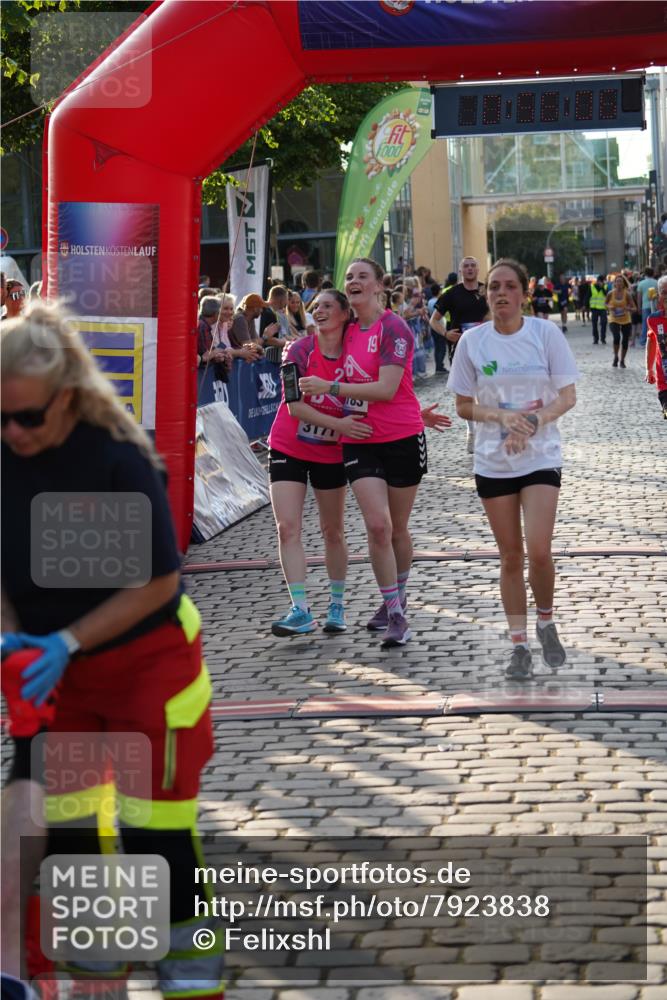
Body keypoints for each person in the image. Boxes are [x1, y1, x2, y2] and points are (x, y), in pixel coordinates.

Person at [1, 302, 223, 998]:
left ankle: (191, 977)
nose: (13, 433)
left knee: (153, 837)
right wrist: (11, 635)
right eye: (0, 418)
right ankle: (99, 981)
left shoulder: (112, 459)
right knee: (72, 844)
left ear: (64, 398)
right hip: (62, 682)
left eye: (28, 418)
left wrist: (65, 640)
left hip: (145, 675)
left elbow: (156, 581)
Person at [299, 258, 451, 648]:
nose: (353, 281)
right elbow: (312, 341)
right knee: (378, 526)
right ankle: (396, 615)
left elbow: (386, 389)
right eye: (348, 277)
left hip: (401, 437)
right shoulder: (346, 329)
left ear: (379, 286)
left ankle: (394, 599)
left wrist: (331, 389)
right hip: (359, 440)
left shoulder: (394, 328)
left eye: (362, 276)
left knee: (397, 529)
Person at [447, 258, 579, 681]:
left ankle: (546, 620)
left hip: (540, 456)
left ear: (524, 292)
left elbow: (567, 396)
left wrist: (535, 421)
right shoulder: (473, 343)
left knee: (539, 550)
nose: (500, 294)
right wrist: (501, 418)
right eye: (493, 288)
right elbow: (463, 405)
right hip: (493, 460)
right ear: (486, 295)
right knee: (510, 556)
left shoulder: (545, 334)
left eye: (509, 287)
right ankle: (519, 644)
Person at [267, 290, 374, 637]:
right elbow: (294, 406)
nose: (320, 311)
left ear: (345, 314)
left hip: (330, 452)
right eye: (316, 307)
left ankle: (337, 603)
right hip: (289, 443)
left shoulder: (357, 352)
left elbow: (374, 396)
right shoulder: (298, 350)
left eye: (328, 306)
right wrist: (341, 425)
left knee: (333, 531)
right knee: (287, 527)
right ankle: (299, 609)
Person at [430, 258, 488, 449]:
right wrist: (446, 333)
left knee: (485, 388)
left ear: (478, 269)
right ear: (461, 271)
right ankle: (471, 431)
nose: (470, 269)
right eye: (466, 266)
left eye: (473, 266)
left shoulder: (486, 290)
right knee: (466, 391)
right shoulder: (451, 294)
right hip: (460, 347)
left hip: (486, 347)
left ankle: (485, 430)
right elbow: (434, 320)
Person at [645, 274, 667, 419]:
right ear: (659, 295)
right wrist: (649, 369)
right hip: (664, 381)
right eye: (664, 292)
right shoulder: (653, 320)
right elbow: (652, 343)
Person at [605, 273, 636, 368]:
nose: (619, 283)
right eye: (617, 281)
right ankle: (615, 357)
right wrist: (610, 307)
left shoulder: (627, 294)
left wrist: (628, 309)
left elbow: (635, 308)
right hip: (613, 319)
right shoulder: (610, 293)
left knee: (625, 340)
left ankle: (622, 360)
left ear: (623, 284)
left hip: (626, 319)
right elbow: (605, 304)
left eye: (620, 282)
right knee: (616, 337)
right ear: (614, 283)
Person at [636, 266, 659, 347]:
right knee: (656, 323)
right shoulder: (657, 282)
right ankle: (657, 339)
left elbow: (639, 297)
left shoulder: (641, 283)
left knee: (645, 324)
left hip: (645, 306)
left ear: (645, 273)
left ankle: (643, 341)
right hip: (655, 306)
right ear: (653, 273)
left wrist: (638, 307)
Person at [589, 275, 608, 345]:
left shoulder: (605, 287)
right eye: (599, 281)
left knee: (604, 323)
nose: (599, 282)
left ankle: (603, 338)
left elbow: (606, 294)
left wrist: (602, 287)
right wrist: (585, 305)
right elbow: (588, 295)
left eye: (601, 281)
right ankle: (595, 339)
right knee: (594, 324)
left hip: (603, 308)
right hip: (594, 308)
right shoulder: (592, 287)